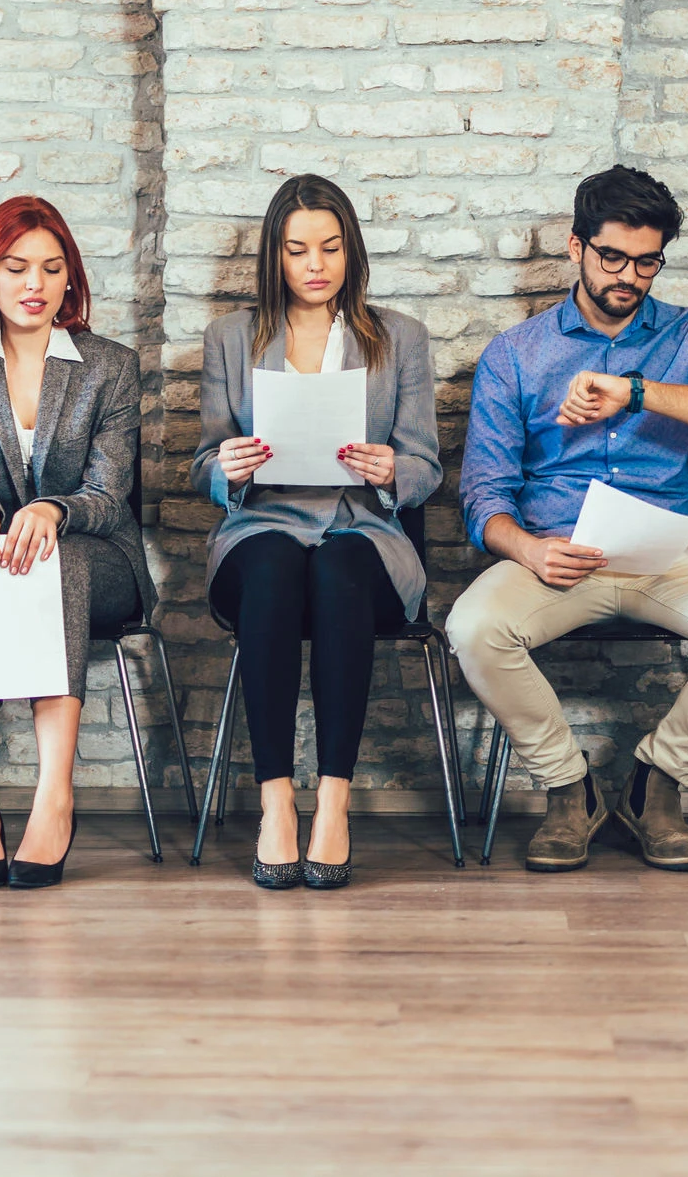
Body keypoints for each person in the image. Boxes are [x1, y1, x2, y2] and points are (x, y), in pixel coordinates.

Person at [449, 165, 688, 874]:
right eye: (612, 256)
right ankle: (568, 788)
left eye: (647, 262)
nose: (629, 276)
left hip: (668, 553)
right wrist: (525, 549)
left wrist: (637, 392)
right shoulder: (515, 355)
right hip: (555, 554)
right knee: (472, 628)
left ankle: (656, 783)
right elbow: (483, 492)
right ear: (575, 247)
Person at [190, 173, 441, 891]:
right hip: (261, 527)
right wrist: (226, 466)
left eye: (329, 248)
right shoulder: (230, 339)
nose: (314, 265)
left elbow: (426, 464)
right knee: (271, 564)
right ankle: (277, 801)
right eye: (297, 250)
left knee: (337, 569)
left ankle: (334, 800)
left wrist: (393, 467)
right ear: (273, 256)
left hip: (364, 535)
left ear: (351, 252)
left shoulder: (400, 338)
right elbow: (206, 461)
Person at [0, 197, 157, 890]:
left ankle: (55, 796)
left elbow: (110, 494)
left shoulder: (108, 366)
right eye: (17, 267)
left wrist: (52, 510)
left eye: (52, 269)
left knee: (58, 559)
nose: (35, 284)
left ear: (70, 279)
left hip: (95, 554)